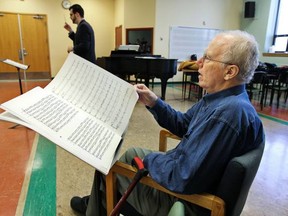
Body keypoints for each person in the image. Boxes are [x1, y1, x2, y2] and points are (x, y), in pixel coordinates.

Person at [70, 30, 265, 215]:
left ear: (230, 71)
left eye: (208, 58)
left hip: (185, 201)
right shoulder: (222, 100)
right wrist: (153, 101)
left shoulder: (227, 115)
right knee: (131, 154)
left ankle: (94, 206)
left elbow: (183, 177)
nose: (199, 62)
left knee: (108, 167)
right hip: (183, 172)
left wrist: (148, 161)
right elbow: (183, 124)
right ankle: (96, 203)